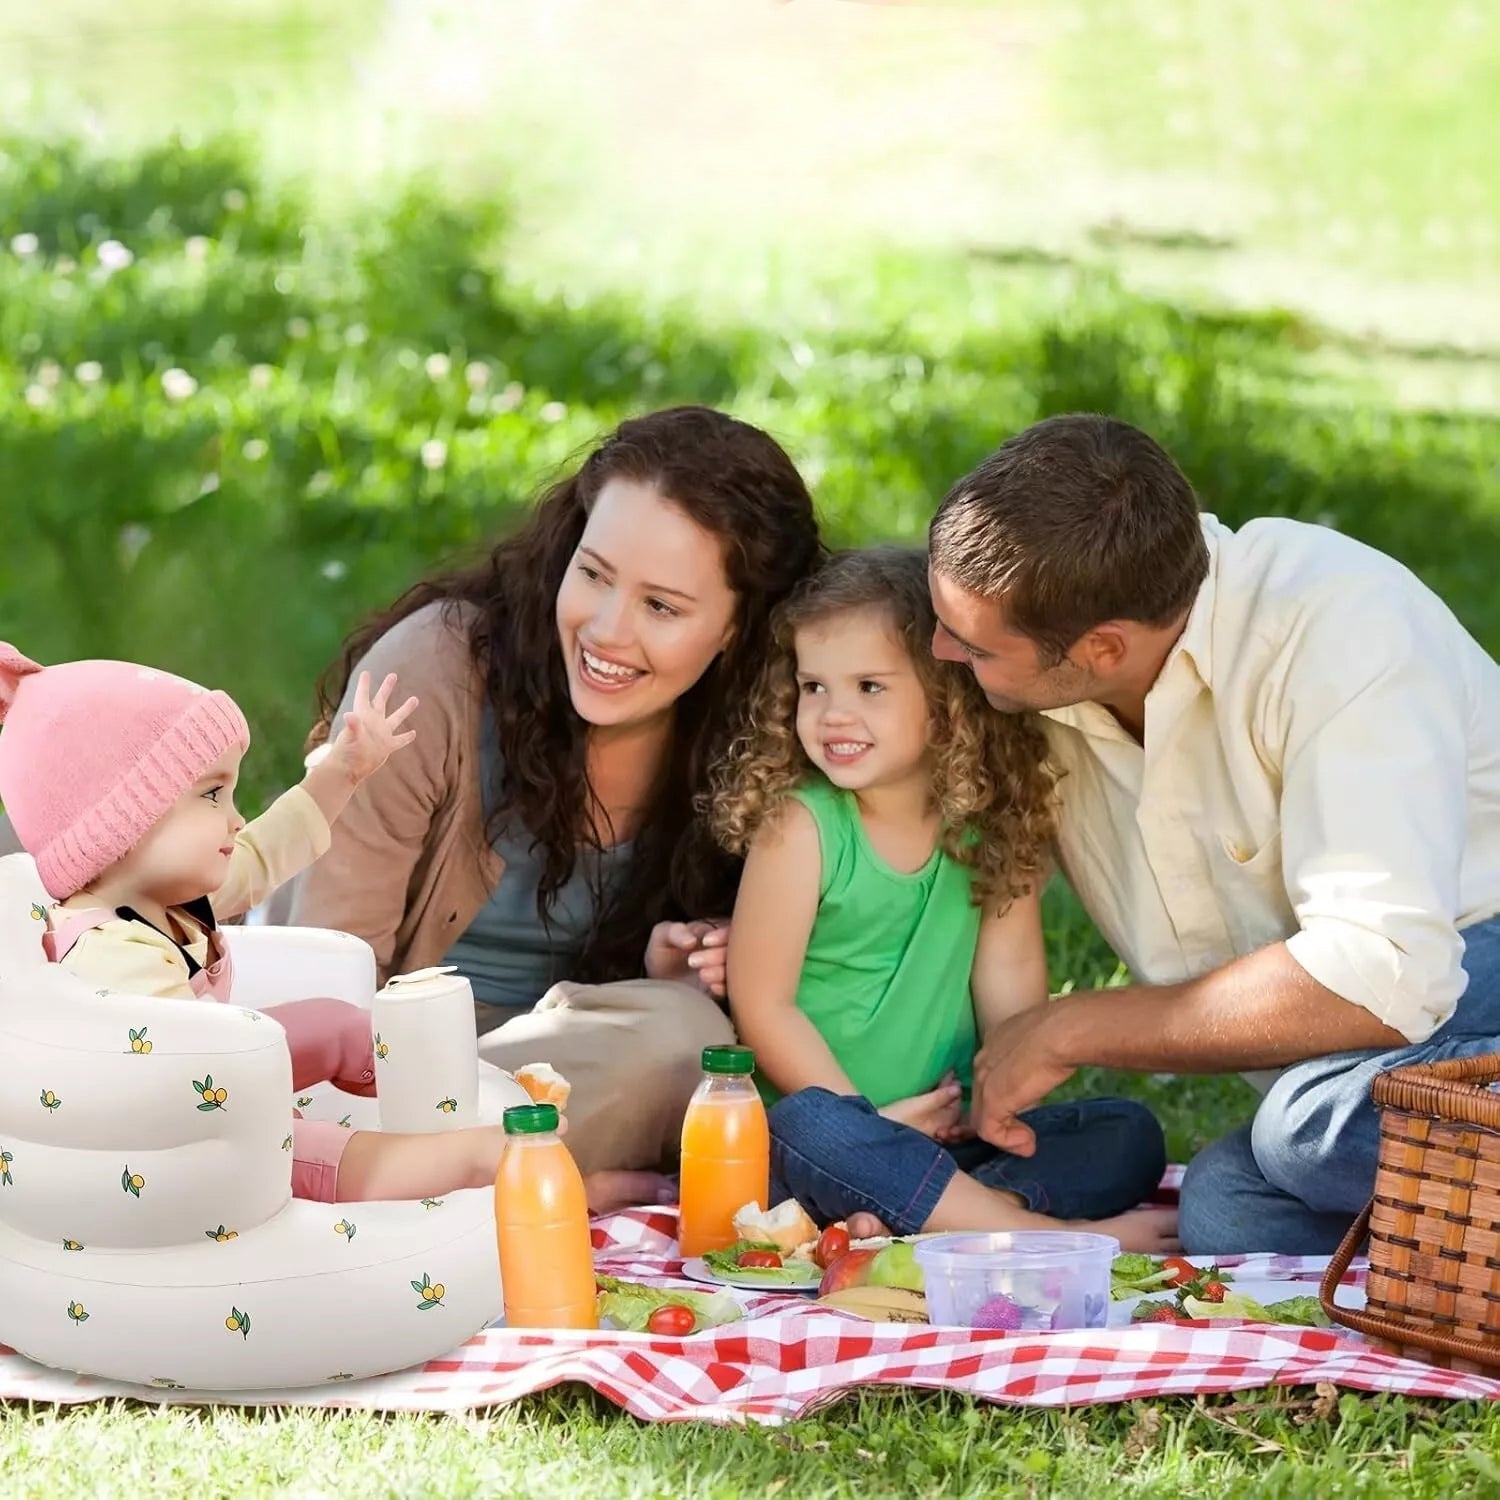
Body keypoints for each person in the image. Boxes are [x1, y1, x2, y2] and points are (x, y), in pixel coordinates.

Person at [925, 412, 1500, 1254]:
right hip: (1370, 1047)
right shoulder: (1045, 667)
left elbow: (1383, 969)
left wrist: (1071, 1026)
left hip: (1469, 952)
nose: (938, 650)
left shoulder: (1337, 624)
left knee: (1305, 1129)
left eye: (973, 646)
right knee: (1231, 1209)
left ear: (1102, 648)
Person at [280, 406, 826, 1182]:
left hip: (551, 1073)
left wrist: (678, 966)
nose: (606, 630)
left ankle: (491, 1178)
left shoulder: (769, 739)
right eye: (594, 573)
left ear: (740, 626)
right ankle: (556, 1184)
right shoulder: (434, 675)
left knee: (685, 1038)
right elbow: (326, 976)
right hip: (371, 1062)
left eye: (661, 606)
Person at [711, 546, 1177, 1251]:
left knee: (1126, 1133)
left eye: (869, 687)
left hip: (948, 1140)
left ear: (946, 697)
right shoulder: (800, 825)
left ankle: (959, 1213)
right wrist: (870, 1122)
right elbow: (763, 1006)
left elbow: (1012, 993)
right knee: (810, 1126)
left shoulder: (989, 823)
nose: (833, 713)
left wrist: (1002, 1107)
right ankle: (1045, 1237)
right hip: (824, 1146)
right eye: (814, 687)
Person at [0, 642, 519, 1204]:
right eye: (213, 794)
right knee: (295, 1142)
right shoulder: (108, 952)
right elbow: (177, 1080)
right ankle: (457, 1161)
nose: (236, 817)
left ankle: (435, 1106)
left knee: (338, 1025)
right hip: (175, 1154)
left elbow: (268, 846)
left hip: (217, 1096)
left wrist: (344, 770)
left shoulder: (166, 897)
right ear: (122, 822)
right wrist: (289, 1059)